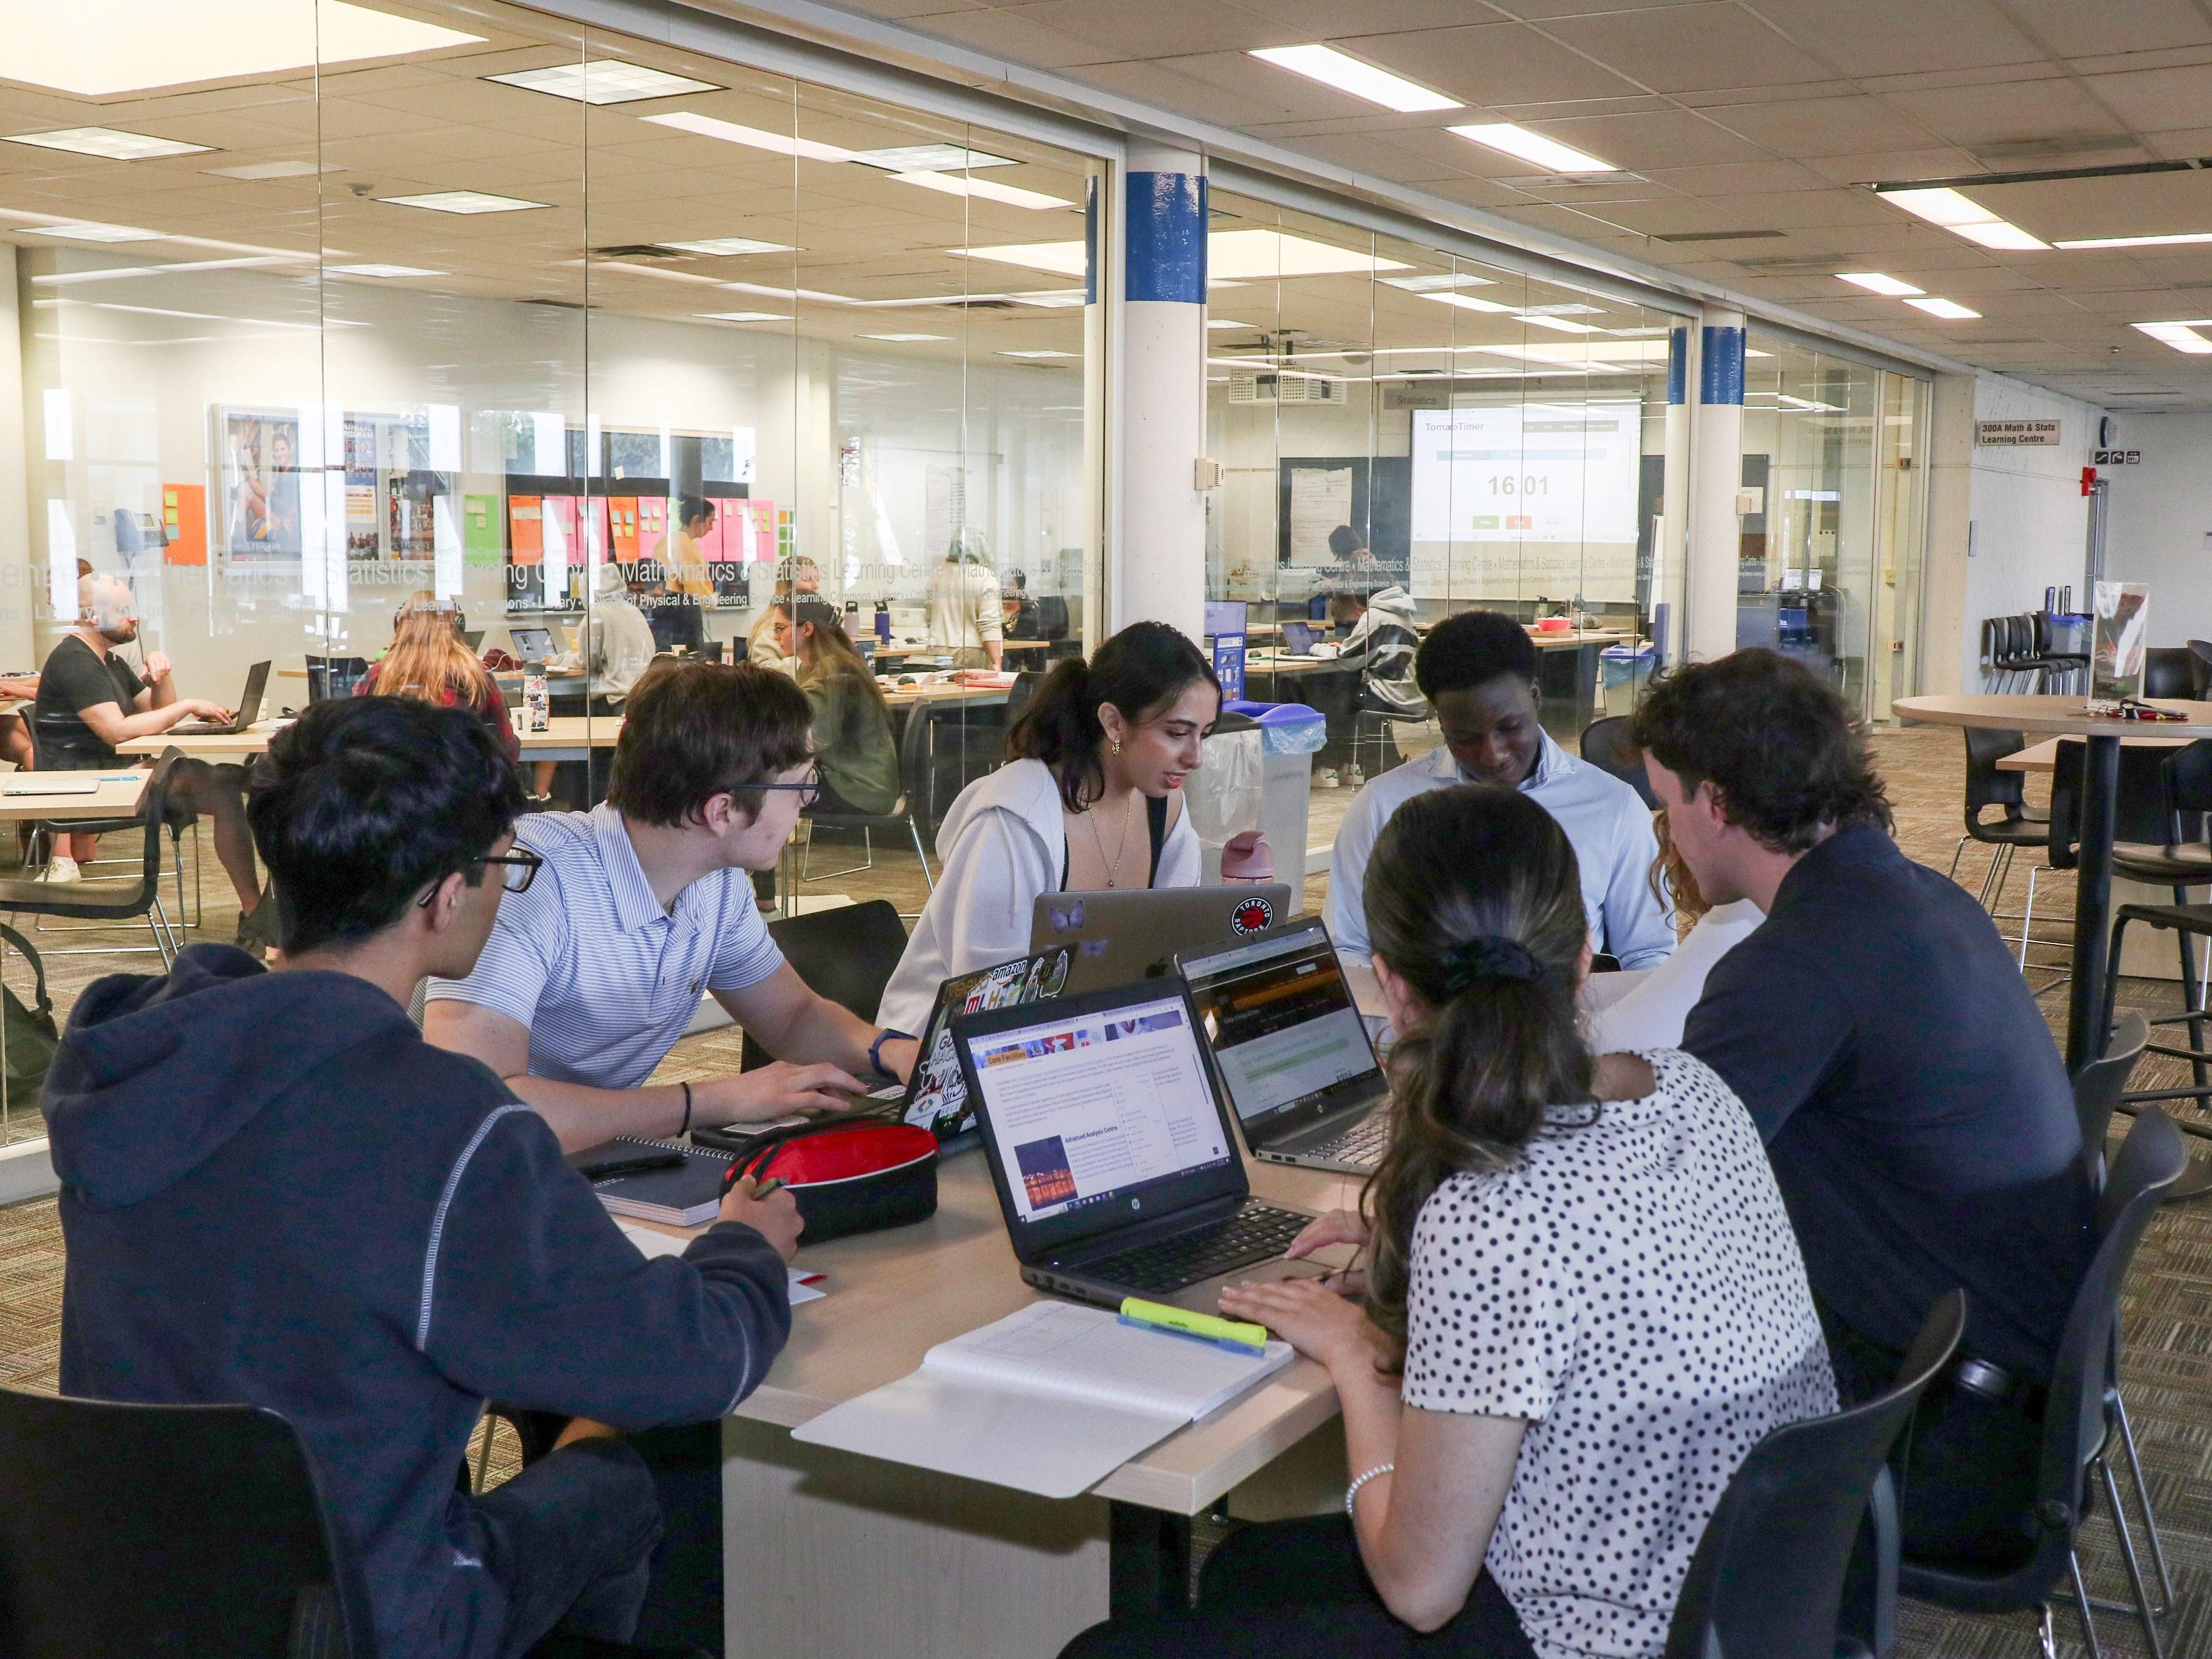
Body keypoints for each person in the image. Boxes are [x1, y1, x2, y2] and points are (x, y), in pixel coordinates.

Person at [44, 696, 802, 1659]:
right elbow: (690, 1361)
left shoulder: (139, 1057)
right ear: (445, 896)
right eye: (502, 867)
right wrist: (746, 1251)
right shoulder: (441, 1120)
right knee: (647, 1449)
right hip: (369, 1617)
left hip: (124, 1594)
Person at [1062, 785, 1835, 1658]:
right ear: (1583, 956)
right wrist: (1422, 1261)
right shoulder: (1694, 1091)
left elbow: (1422, 1592)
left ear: (1392, 987)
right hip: (1743, 1599)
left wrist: (1355, 1353)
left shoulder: (1489, 1217)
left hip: (1588, 1634)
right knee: (1250, 1569)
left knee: (1103, 1651)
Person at [1634, 649, 2096, 1563]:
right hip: (2015, 1395)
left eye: (1669, 800)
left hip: (1944, 1443)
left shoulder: (1798, 966)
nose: (1666, 829)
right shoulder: (1920, 898)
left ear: (1719, 802)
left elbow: (1651, 1198)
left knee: (1583, 1433)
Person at [425, 659, 918, 1153]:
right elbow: (480, 1113)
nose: (806, 802)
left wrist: (892, 1051)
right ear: (721, 811)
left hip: (583, 1158)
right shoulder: (529, 882)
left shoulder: (715, 883)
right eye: (800, 786)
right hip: (472, 1177)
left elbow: (792, 1017)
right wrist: (709, 1101)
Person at [877, 621, 1216, 1033]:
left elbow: (1169, 959)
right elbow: (987, 998)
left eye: (1205, 734)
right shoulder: (1016, 817)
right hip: (945, 1053)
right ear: (1113, 723)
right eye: (1178, 733)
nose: (1195, 757)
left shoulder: (1166, 810)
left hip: (1082, 1039)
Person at [1326, 610, 1671, 969]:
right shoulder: (1382, 806)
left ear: (1536, 697)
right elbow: (1348, 948)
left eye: (1510, 727)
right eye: (1465, 737)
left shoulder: (1611, 806)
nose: (1492, 755)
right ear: (1439, 719)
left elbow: (1648, 953)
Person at [32, 574, 270, 943]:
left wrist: (162, 676)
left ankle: (257, 912)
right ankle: (258, 913)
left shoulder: (109, 661)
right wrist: (189, 706)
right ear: (93, 616)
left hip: (110, 777)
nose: (135, 618)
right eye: (124, 611)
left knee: (225, 783)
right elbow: (118, 731)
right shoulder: (75, 661)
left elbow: (158, 712)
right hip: (86, 790)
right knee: (223, 783)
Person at [1582, 813, 1764, 1052]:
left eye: (1667, 803)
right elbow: (1665, 985)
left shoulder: (1740, 918)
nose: (1666, 830)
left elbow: (1612, 1043)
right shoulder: (1757, 910)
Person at [357, 592, 519, 765]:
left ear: (399, 624)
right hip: (460, 786)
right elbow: (506, 749)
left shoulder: (376, 675)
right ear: (458, 625)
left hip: (393, 787)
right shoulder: (475, 674)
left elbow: (354, 746)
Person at [772, 597, 899, 816]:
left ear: (808, 629)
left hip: (860, 790)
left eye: (780, 628)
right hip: (859, 783)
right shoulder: (823, 666)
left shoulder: (832, 672)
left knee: (763, 791)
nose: (775, 636)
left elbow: (804, 739)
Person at [1328, 580, 1424, 717]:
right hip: (1411, 696)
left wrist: (1317, 649)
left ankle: (1342, 739)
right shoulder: (1404, 614)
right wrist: (1348, 650)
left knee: (1341, 698)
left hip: (1391, 698)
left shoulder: (1374, 616)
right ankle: (1380, 738)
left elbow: (1347, 661)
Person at [927, 531, 1003, 669]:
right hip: (970, 650)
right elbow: (989, 625)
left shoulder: (937, 574)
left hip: (936, 648)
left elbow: (929, 615)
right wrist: (996, 662)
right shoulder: (984, 576)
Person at [650, 495, 713, 655]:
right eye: (710, 522)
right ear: (697, 519)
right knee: (692, 662)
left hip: (659, 612)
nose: (711, 528)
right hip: (683, 612)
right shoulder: (686, 546)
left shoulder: (664, 541)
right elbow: (698, 591)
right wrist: (713, 598)